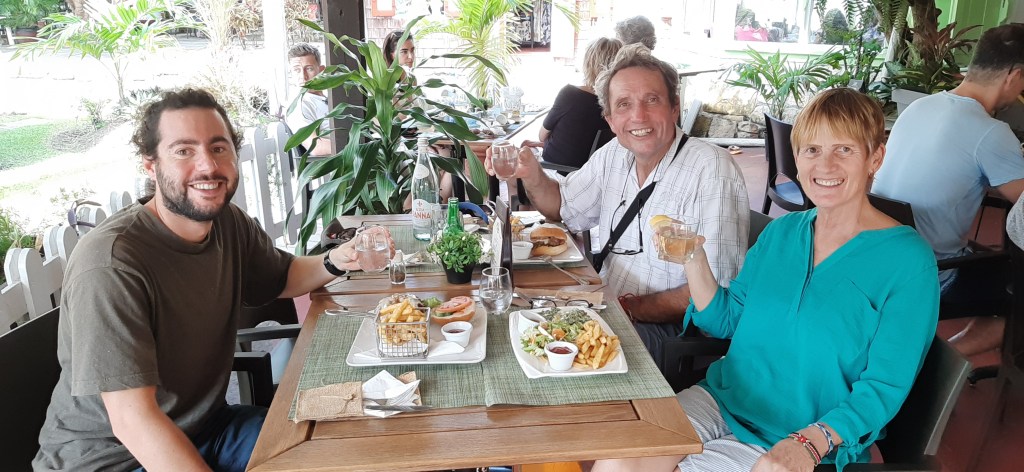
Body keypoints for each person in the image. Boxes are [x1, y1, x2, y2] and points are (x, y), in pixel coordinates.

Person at [33, 88, 392, 472]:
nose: (207, 165)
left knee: (343, 452)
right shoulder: (112, 264)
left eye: (218, 148)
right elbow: (133, 420)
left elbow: (283, 276)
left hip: (207, 428)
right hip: (113, 459)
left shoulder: (227, 223)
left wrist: (338, 259)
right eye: (183, 150)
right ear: (151, 165)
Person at [594, 88, 939, 472]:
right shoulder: (783, 233)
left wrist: (810, 442)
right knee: (617, 460)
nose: (825, 165)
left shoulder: (907, 261)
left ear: (875, 157)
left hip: (804, 434)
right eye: (812, 150)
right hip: (727, 398)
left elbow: (884, 386)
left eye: (844, 149)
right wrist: (693, 256)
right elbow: (726, 320)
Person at [484, 44, 749, 366]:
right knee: (510, 327)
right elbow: (564, 208)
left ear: (674, 108)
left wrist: (624, 308)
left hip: (671, 333)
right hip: (609, 304)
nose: (638, 116)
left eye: (652, 100)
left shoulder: (712, 169)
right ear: (610, 119)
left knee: (548, 355)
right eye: (624, 104)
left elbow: (715, 292)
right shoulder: (615, 153)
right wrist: (532, 174)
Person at [872, 24, 1024, 357]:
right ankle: (935, 369)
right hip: (931, 275)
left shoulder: (919, 107)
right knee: (1018, 300)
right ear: (1014, 76)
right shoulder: (991, 133)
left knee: (990, 266)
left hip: (879, 257)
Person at [522, 37, 622, 170]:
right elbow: (588, 142)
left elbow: (542, 135)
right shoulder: (619, 103)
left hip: (557, 171)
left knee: (516, 156)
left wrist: (543, 143)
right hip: (593, 171)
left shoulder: (570, 95)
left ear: (588, 63)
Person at [286, 43, 333, 157]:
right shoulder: (300, 106)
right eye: (296, 70)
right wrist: (360, 145)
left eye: (309, 69)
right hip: (338, 163)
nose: (303, 76)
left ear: (321, 70)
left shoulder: (328, 99)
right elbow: (316, 147)